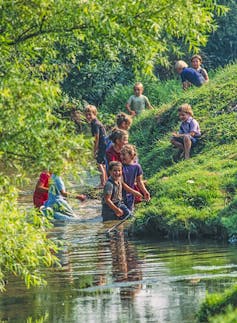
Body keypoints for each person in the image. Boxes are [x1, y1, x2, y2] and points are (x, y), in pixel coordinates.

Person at [121, 144, 150, 210]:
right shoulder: (120, 167)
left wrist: (145, 192)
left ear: (132, 156)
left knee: (129, 212)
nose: (121, 157)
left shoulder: (137, 167)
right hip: (120, 195)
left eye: (124, 155)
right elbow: (122, 184)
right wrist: (134, 192)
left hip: (130, 195)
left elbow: (139, 181)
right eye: (121, 154)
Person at [85, 105, 107, 188]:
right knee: (103, 164)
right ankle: (105, 181)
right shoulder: (95, 122)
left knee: (99, 163)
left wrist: (95, 149)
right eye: (86, 115)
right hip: (104, 144)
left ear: (95, 114)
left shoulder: (95, 124)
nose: (88, 116)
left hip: (101, 145)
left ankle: (102, 183)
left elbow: (96, 137)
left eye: (90, 114)